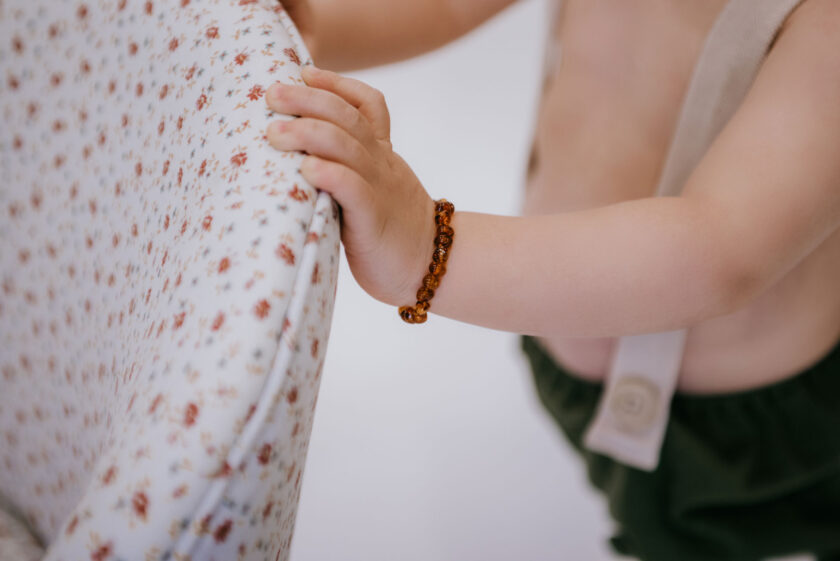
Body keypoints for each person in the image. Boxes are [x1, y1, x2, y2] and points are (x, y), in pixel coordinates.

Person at [268, 1, 840, 559]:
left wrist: (428, 249)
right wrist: (315, 23)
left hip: (754, 435)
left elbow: (719, 246)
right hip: (567, 350)